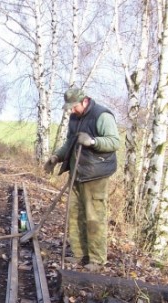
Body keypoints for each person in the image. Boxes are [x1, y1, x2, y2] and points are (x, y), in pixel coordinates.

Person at [43, 87, 120, 272]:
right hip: (77, 171)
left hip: (96, 174)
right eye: (69, 107)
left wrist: (93, 142)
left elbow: (114, 142)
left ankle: (97, 259)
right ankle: (78, 254)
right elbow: (70, 143)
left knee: (94, 217)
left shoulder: (101, 115)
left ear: (84, 101)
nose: (71, 110)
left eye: (74, 106)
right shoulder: (75, 118)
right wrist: (56, 157)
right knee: (75, 214)